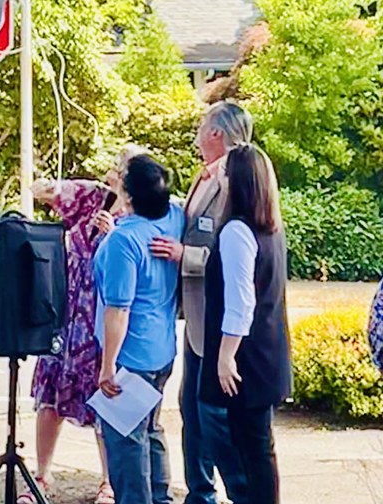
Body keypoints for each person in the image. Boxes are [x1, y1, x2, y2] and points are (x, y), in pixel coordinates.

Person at [18, 145, 143, 504]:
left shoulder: (141, 211)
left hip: (105, 310)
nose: (116, 173)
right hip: (70, 308)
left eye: (123, 169)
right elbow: (43, 191)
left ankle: (109, 481)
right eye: (117, 168)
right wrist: (55, 186)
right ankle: (42, 476)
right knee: (51, 393)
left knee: (107, 397)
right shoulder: (94, 196)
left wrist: (113, 233)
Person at [151, 101, 251, 504]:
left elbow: (239, 256)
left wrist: (183, 255)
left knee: (213, 418)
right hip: (193, 318)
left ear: (216, 133)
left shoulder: (239, 180)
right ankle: (200, 493)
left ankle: (233, 492)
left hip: (219, 320)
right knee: (191, 411)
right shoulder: (205, 176)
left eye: (202, 124)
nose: (196, 130)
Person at [200, 144, 292, 504]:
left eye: (225, 170)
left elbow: (241, 301)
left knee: (250, 452)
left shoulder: (236, 231)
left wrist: (225, 356)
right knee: (259, 449)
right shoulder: (270, 227)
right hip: (268, 352)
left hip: (247, 358)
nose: (218, 175)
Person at [93, 154, 185, 504]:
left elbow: (119, 309)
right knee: (151, 431)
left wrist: (107, 367)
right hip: (161, 349)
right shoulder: (172, 219)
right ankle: (161, 498)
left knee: (127, 445)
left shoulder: (123, 242)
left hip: (130, 356)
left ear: (129, 195)